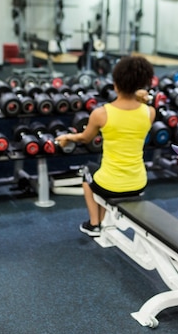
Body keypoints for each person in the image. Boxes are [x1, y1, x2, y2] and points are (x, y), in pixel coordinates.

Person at [55, 56, 156, 236]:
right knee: (99, 173)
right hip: (139, 182)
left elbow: (85, 139)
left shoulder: (101, 114)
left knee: (87, 174)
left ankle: (94, 224)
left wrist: (68, 137)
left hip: (110, 184)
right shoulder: (150, 112)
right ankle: (102, 220)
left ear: (115, 84)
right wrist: (143, 97)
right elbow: (140, 105)